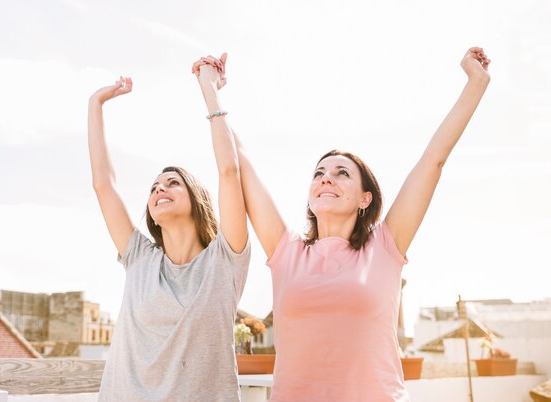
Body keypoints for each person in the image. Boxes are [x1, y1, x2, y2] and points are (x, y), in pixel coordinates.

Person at [195, 46, 491, 402]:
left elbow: (433, 160)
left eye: (341, 173)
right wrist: (210, 88)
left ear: (366, 198)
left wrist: (476, 83)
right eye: (319, 173)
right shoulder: (286, 252)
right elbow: (240, 163)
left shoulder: (384, 247)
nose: (326, 179)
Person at [87, 54, 249, 402]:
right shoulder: (139, 258)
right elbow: (104, 185)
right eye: (154, 187)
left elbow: (229, 173)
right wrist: (96, 104)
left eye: (172, 183)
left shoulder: (225, 260)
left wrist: (209, 89)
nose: (159, 189)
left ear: (196, 197)